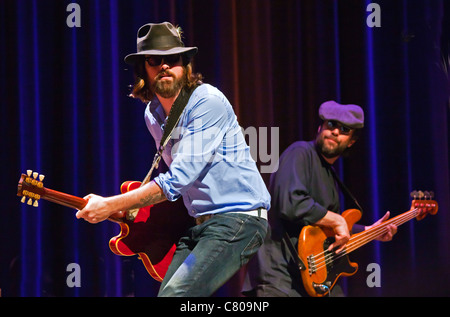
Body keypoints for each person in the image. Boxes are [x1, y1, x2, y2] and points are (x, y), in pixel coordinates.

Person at [75, 22, 270, 297]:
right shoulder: (152, 115)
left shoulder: (207, 101)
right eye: (155, 59)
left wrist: (110, 204)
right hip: (199, 223)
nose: (165, 66)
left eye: (173, 59)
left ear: (185, 65)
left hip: (239, 218)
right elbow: (176, 184)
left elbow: (177, 180)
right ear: (144, 68)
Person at [242, 101, 397, 297]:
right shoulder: (300, 153)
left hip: (312, 278)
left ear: (351, 141)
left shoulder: (330, 174)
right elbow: (291, 204)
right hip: (280, 278)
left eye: (344, 129)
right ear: (319, 128)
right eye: (330, 124)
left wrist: (370, 231)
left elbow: (325, 230)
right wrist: (337, 219)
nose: (335, 131)